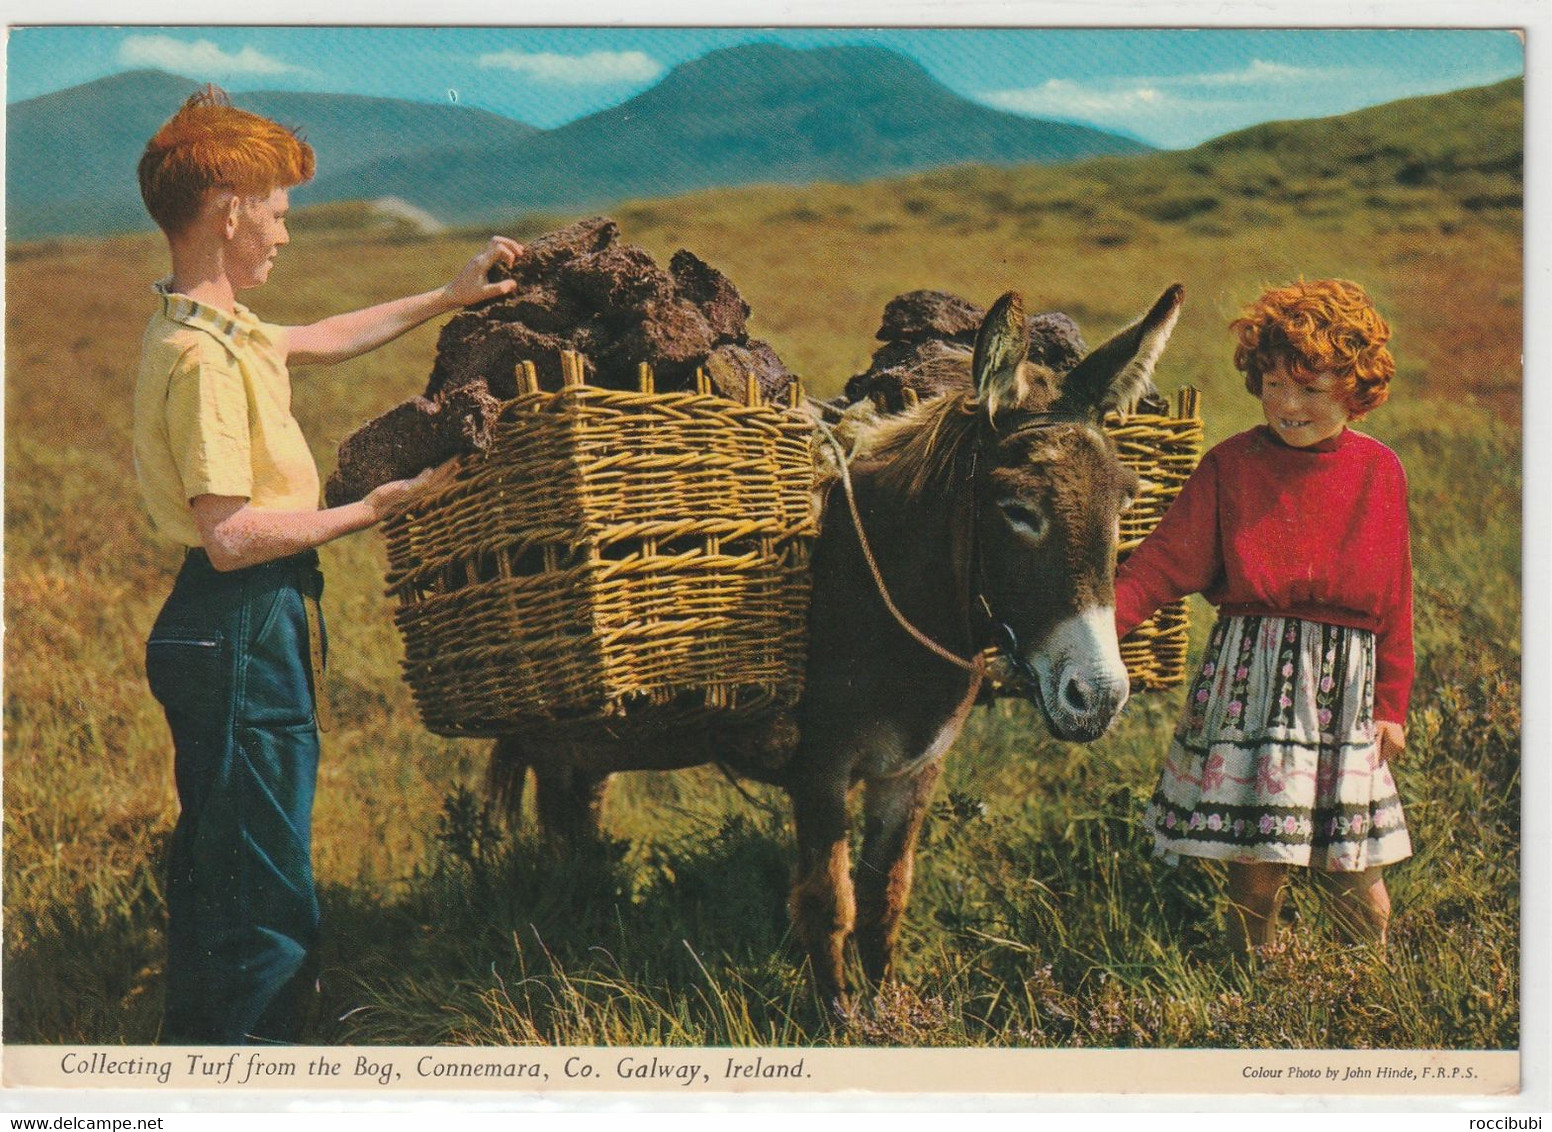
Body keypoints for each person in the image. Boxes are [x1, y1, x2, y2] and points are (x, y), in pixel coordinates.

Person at [133, 85, 522, 1043]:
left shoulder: (212, 329)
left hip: (237, 622)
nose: (285, 235)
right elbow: (231, 536)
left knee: (229, 859)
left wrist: (448, 295)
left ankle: (209, 1054)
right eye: (277, 212)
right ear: (230, 212)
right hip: (239, 616)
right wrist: (372, 510)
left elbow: (320, 339)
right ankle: (258, 1067)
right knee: (263, 884)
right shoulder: (203, 362)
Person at [1114, 278, 1413, 954]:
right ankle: (1251, 983)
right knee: (1255, 874)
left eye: (1311, 389)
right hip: (1255, 690)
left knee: (1358, 877)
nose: (1287, 404)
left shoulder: (1380, 472)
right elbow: (1161, 565)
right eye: (1275, 384)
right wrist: (1099, 633)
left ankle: (1365, 987)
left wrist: (1392, 703)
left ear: (1356, 391)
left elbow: (1396, 599)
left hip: (1345, 700)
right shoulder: (1230, 466)